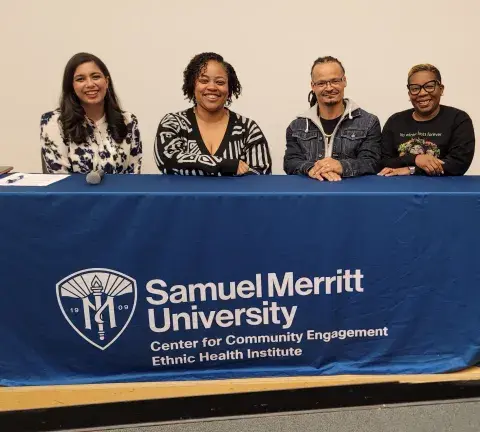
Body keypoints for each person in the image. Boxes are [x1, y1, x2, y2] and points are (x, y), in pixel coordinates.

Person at [154, 52, 271, 176]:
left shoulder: (247, 128)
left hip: (233, 197)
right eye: (203, 81)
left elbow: (260, 176)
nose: (212, 87)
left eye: (220, 82)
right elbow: (167, 160)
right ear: (192, 85)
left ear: (229, 88)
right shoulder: (173, 123)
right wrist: (225, 165)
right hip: (185, 196)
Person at [41, 52, 142, 174]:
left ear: (106, 81)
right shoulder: (55, 122)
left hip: (120, 193)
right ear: (72, 86)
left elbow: (134, 177)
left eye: (95, 77)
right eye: (80, 79)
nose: (90, 84)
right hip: (73, 193)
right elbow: (59, 179)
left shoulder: (128, 121)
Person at [284, 56, 381, 181]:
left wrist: (341, 166)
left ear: (344, 81)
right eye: (321, 83)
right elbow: (290, 162)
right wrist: (311, 168)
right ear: (313, 86)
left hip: (351, 196)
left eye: (335, 81)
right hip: (309, 197)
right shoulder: (296, 126)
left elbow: (372, 162)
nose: (329, 88)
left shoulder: (369, 122)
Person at [379, 64, 475, 177]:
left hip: (444, 189)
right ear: (409, 93)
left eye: (429, 86)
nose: (422, 93)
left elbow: (458, 164)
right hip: (401, 188)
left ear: (441, 89)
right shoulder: (394, 121)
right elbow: (383, 162)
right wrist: (416, 159)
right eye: (415, 88)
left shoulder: (459, 120)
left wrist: (411, 170)